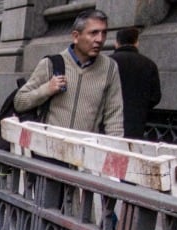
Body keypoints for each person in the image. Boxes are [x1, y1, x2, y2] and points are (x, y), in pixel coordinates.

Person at [13, 9, 124, 137]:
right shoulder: (51, 64)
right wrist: (46, 90)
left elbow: (115, 117)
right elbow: (19, 102)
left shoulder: (110, 68)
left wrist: (114, 150)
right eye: (93, 33)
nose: (100, 39)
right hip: (46, 149)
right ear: (76, 37)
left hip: (85, 151)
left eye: (104, 33)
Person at [110, 27, 161, 139]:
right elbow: (155, 97)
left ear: (116, 42)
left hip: (108, 123)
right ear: (137, 42)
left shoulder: (107, 63)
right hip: (136, 123)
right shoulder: (149, 65)